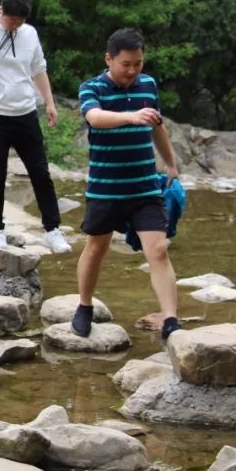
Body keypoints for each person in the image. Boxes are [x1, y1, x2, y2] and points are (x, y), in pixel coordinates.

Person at [74, 28, 182, 341]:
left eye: (138, 63)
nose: (133, 71)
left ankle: (171, 320)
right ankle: (84, 305)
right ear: (109, 59)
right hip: (105, 187)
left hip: (144, 187)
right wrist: (132, 117)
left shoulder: (148, 85)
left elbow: (157, 127)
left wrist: (171, 164)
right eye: (126, 64)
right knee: (97, 247)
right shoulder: (92, 87)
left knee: (159, 249)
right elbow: (95, 118)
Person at [0, 0, 70, 254]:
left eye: (19, 22)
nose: (15, 26)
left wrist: (50, 102)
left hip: (26, 113)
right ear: (1, 10)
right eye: (11, 21)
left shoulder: (29, 34)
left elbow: (39, 69)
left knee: (41, 173)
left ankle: (52, 230)